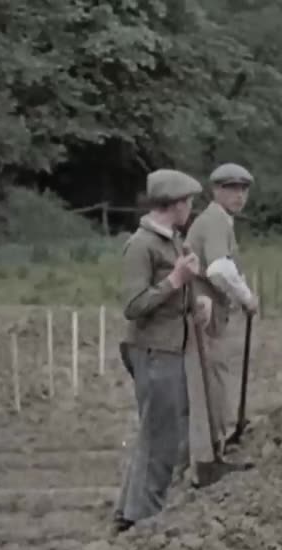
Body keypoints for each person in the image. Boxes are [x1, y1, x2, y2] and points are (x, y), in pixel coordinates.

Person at [116, 169, 213, 531]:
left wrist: (195, 304)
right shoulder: (141, 245)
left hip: (171, 346)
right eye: (188, 202)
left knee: (155, 434)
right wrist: (176, 281)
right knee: (162, 442)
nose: (191, 209)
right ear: (173, 204)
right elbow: (133, 304)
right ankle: (146, 521)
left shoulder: (172, 241)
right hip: (153, 350)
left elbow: (176, 295)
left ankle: (128, 515)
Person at [183, 163, 257, 472]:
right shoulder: (215, 221)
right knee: (211, 385)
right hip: (206, 318)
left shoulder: (218, 220)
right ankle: (212, 455)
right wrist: (247, 297)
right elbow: (218, 269)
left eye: (243, 189)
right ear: (216, 191)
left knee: (215, 381)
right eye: (231, 189)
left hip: (210, 315)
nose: (238, 196)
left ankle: (215, 447)